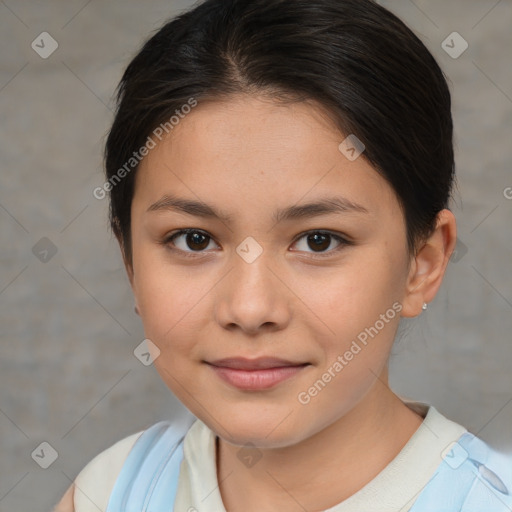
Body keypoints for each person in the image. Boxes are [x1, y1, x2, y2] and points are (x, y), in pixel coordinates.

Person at [55, 0, 512, 510]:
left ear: (422, 264)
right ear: (129, 261)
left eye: (319, 240)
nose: (250, 310)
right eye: (194, 239)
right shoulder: (113, 491)